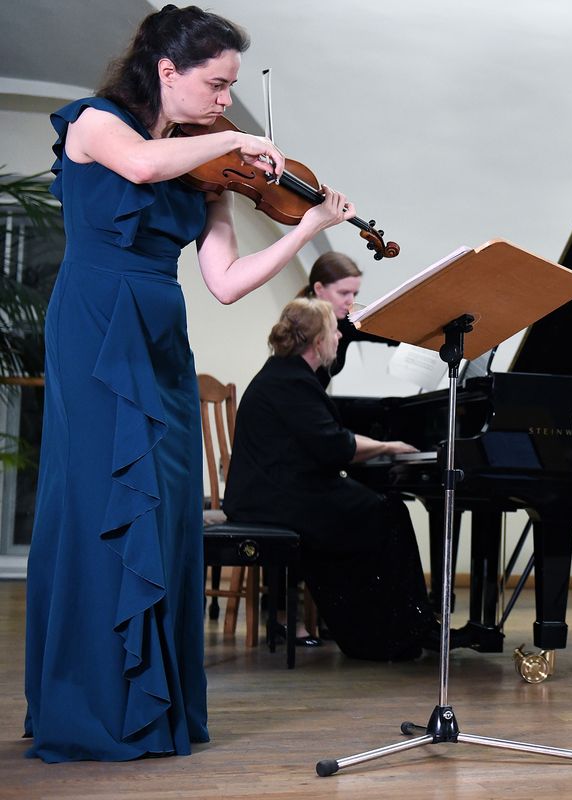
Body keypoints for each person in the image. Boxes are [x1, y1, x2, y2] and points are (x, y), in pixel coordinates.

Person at [23, 5, 357, 763]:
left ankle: (151, 707)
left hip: (160, 334)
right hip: (95, 321)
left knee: (167, 508)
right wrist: (235, 138)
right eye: (216, 85)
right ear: (167, 70)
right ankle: (91, 702)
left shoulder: (207, 173)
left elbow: (227, 282)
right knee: (99, 500)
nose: (224, 100)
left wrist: (306, 231)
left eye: (232, 89)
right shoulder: (95, 124)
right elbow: (142, 166)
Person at [221, 298, 436, 662]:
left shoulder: (285, 374)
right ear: (318, 342)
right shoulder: (292, 381)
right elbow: (335, 445)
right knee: (388, 513)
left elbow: (324, 441)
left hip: (274, 493)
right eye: (335, 331)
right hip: (275, 500)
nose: (340, 337)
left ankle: (385, 628)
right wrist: (388, 445)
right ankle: (390, 634)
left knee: (374, 510)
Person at [297, 251, 397, 387]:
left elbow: (391, 334)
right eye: (343, 293)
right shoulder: (297, 323)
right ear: (319, 289)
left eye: (354, 293)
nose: (351, 301)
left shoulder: (344, 322)